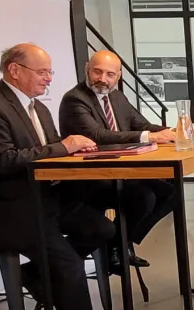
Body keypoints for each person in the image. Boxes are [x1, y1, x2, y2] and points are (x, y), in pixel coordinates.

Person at [0, 43, 132, 310]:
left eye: (50, 72)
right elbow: (3, 160)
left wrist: (74, 153)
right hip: (9, 208)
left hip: (45, 199)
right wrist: (64, 146)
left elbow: (53, 153)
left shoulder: (37, 108)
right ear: (15, 70)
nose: (49, 79)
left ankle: (37, 274)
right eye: (43, 72)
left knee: (103, 227)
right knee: (68, 265)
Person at [60, 50, 177, 273]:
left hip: (119, 172)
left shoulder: (117, 97)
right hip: (90, 179)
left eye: (110, 74)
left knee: (171, 193)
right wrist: (151, 137)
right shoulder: (75, 99)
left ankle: (118, 243)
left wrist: (174, 132)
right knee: (144, 196)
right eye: (98, 72)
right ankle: (117, 245)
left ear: (119, 76)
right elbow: (99, 136)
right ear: (87, 69)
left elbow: (141, 125)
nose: (103, 79)